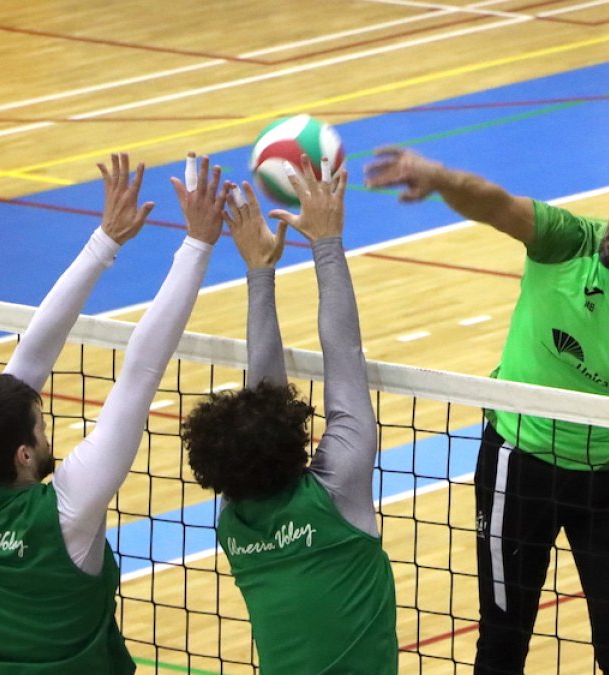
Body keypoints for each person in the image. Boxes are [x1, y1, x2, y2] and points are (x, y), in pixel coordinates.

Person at [366, 148, 609, 674]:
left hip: (608, 483)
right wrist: (440, 178)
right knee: (502, 643)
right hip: (517, 467)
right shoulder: (566, 242)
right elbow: (495, 203)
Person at [0, 152, 226, 673]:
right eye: (41, 428)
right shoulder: (64, 516)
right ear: (24, 455)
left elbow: (31, 359)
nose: (48, 434)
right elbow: (140, 371)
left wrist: (106, 241)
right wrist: (198, 242)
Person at [182, 160, 397, 674]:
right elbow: (343, 351)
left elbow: (267, 400)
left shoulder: (234, 522)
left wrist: (261, 270)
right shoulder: (336, 493)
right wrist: (325, 243)